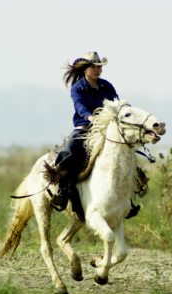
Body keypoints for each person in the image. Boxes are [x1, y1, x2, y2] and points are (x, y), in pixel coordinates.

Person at [48, 51, 119, 212]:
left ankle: (134, 188)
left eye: (99, 67)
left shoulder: (107, 86)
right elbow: (80, 107)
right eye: (93, 67)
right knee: (71, 148)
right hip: (85, 127)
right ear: (85, 69)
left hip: (108, 127)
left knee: (126, 146)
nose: (97, 70)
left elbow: (116, 103)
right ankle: (61, 187)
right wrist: (90, 117)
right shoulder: (77, 88)